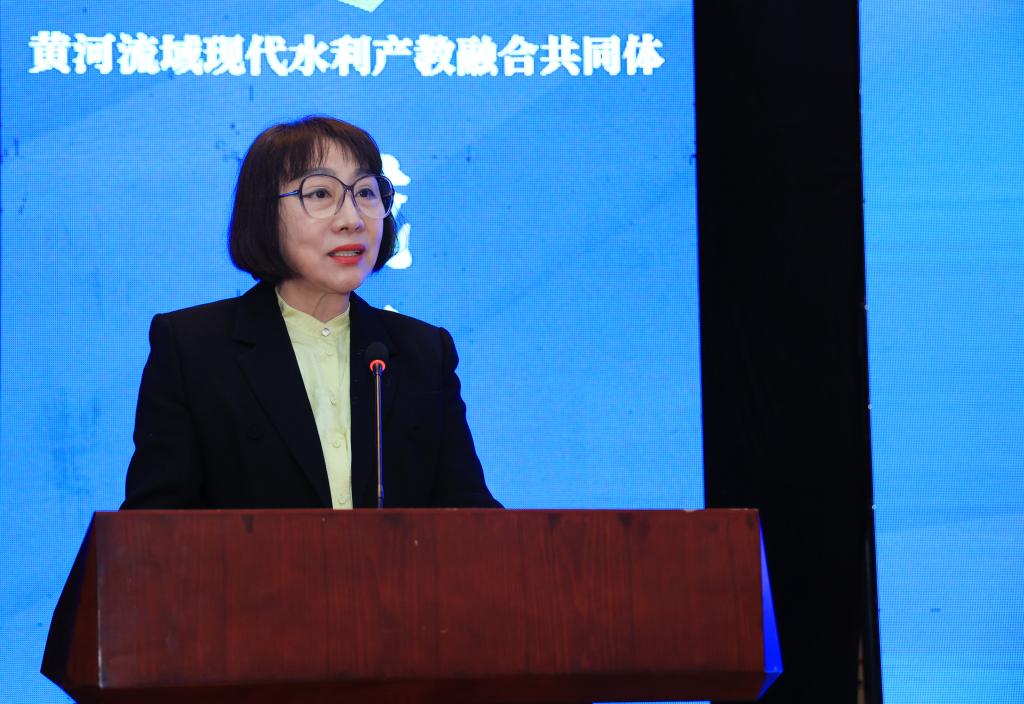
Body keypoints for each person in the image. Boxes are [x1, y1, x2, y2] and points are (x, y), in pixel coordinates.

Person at [122, 116, 501, 510]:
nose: (352, 220)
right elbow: (154, 526)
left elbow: (471, 515)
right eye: (320, 193)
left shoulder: (423, 351)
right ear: (264, 212)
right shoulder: (193, 349)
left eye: (366, 193)